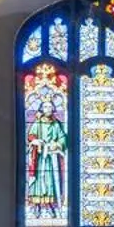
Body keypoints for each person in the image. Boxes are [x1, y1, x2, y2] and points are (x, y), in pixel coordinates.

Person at [24, 88, 67, 220]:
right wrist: (35, 141)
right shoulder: (38, 123)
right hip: (40, 157)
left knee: (50, 182)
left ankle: (51, 206)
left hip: (51, 157)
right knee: (38, 181)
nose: (48, 109)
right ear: (42, 109)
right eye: (45, 107)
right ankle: (36, 207)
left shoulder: (56, 124)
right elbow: (30, 136)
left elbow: (62, 138)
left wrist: (57, 144)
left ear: (53, 109)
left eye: (50, 107)